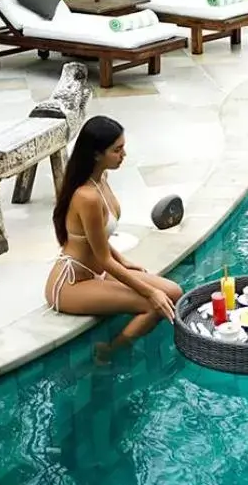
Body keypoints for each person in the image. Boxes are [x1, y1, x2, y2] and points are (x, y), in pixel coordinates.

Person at [45, 116, 181, 360]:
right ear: (97, 154)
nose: (124, 154)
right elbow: (104, 259)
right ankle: (109, 354)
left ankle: (115, 348)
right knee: (155, 304)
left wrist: (124, 261)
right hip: (72, 283)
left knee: (174, 292)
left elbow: (98, 239)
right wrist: (150, 292)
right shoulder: (87, 197)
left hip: (97, 271)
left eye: (123, 147)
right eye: (117, 150)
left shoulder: (102, 180)